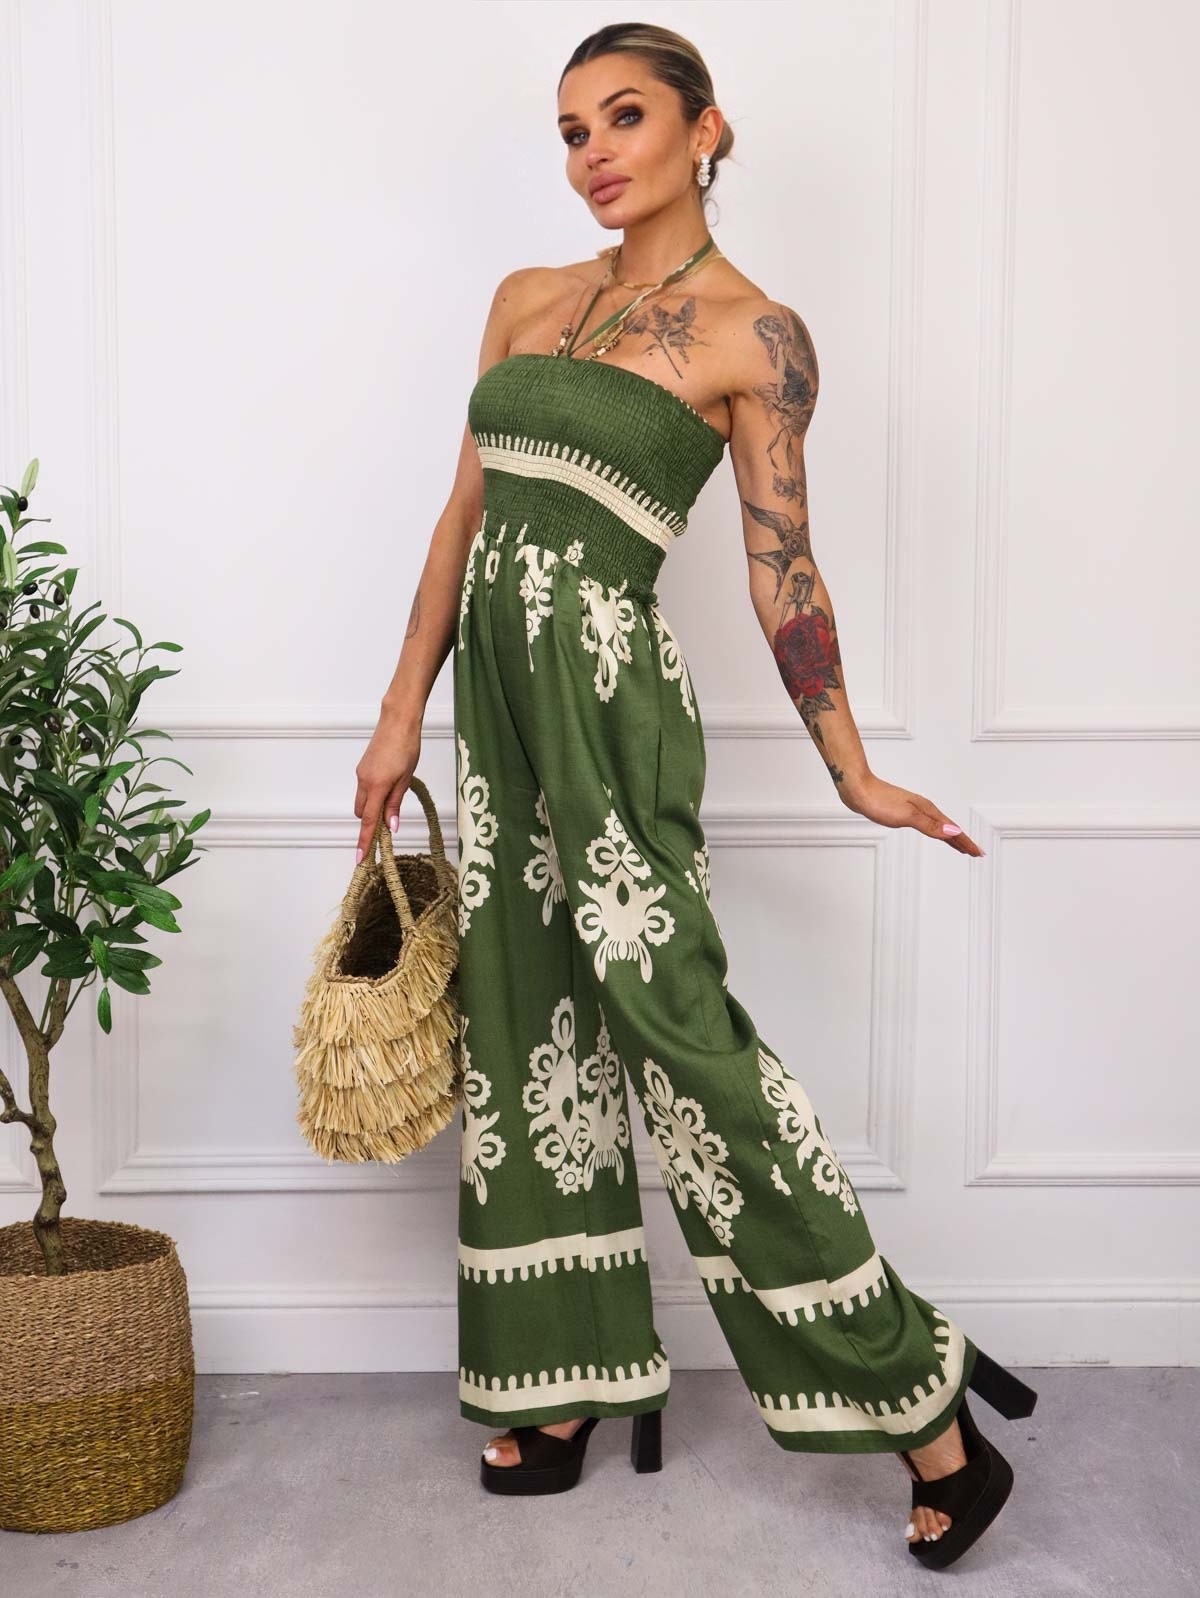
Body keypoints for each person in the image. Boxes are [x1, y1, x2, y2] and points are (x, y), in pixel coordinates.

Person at [353, 20, 1037, 1571]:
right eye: (572, 130)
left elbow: (785, 569)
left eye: (625, 118)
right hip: (494, 715)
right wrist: (398, 713)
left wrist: (854, 769)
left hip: (610, 712)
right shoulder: (526, 300)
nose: (594, 152)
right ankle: (567, 1372)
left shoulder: (756, 336)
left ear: (703, 129)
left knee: (685, 1043)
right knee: (524, 1022)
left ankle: (925, 1399)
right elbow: (461, 517)